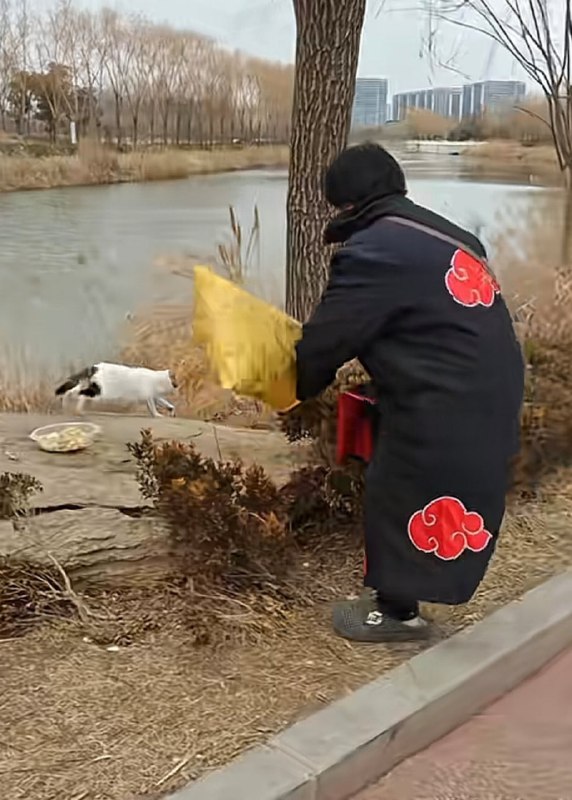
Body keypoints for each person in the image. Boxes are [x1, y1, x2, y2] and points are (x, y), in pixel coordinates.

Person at [294, 143, 525, 643]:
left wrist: (298, 383)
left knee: (398, 481)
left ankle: (396, 612)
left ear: (348, 203)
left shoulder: (376, 251)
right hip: (486, 388)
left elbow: (329, 338)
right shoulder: (444, 234)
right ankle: (402, 599)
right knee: (410, 477)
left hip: (445, 398)